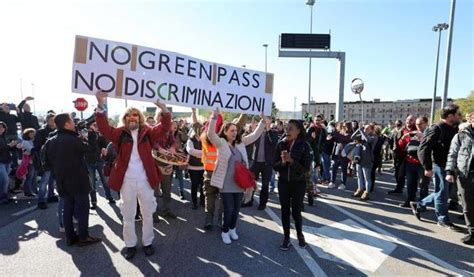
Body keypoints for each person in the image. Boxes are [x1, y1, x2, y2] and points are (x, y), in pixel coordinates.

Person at [95, 91, 171, 260]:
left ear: (140, 117)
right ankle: (130, 244)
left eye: (135, 115)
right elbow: (104, 128)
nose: (132, 118)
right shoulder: (119, 133)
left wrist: (164, 109)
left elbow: (164, 127)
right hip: (126, 181)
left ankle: (148, 242)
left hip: (145, 180)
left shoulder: (147, 132)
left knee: (148, 213)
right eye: (129, 115)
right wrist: (100, 106)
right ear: (125, 118)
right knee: (128, 215)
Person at [207, 109, 265, 244]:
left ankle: (232, 229)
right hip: (226, 183)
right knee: (229, 208)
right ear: (225, 132)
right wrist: (214, 117)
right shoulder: (220, 142)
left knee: (236, 209)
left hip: (239, 183)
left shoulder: (241, 143)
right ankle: (225, 231)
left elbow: (255, 135)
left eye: (235, 130)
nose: (234, 133)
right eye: (231, 130)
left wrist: (262, 120)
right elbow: (210, 134)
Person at [47, 113, 101, 247]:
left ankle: (70, 238)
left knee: (68, 208)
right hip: (78, 180)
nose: (74, 123)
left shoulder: (51, 140)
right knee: (82, 209)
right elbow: (92, 150)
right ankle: (83, 237)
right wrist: (92, 134)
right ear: (66, 124)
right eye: (71, 121)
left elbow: (46, 160)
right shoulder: (73, 140)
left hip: (61, 180)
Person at [410, 104, 463, 231]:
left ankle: (419, 205)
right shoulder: (437, 128)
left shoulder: (454, 127)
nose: (459, 116)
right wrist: (428, 168)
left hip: (451, 166)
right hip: (440, 166)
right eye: (457, 114)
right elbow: (423, 149)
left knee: (443, 192)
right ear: (450, 116)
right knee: (442, 193)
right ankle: (443, 219)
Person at [273, 119, 313, 250]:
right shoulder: (280, 144)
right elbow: (275, 166)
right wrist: (283, 163)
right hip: (283, 183)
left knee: (296, 211)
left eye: (290, 128)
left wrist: (291, 161)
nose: (287, 131)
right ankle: (286, 237)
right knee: (284, 211)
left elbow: (306, 169)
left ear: (298, 131)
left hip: (298, 184)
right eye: (286, 128)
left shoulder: (304, 146)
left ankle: (300, 234)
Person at [445, 111, 474, 245]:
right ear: (470, 119)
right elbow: (453, 154)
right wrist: (449, 171)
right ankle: (472, 232)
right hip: (465, 175)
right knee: (467, 205)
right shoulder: (461, 136)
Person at [248, 115, 278, 210]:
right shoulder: (257, 132)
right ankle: (249, 200)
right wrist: (253, 128)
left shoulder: (273, 132)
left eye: (267, 119)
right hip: (256, 161)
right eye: (263, 119)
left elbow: (274, 143)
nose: (264, 120)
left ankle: (262, 203)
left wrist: (268, 129)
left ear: (271, 121)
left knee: (265, 185)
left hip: (267, 163)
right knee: (251, 182)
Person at [398, 116, 428, 207]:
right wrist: (404, 137)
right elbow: (402, 146)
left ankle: (422, 204)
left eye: (420, 124)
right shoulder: (412, 133)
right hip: (410, 162)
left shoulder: (429, 133)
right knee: (410, 184)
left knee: (423, 185)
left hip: (422, 164)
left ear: (426, 124)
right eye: (417, 124)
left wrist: (422, 138)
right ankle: (410, 201)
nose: (418, 126)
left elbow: (430, 147)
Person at [85, 122, 115, 207]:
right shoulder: (84, 136)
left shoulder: (98, 135)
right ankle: (93, 202)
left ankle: (109, 197)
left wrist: (97, 134)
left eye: (95, 125)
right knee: (92, 184)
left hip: (99, 161)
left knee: (105, 181)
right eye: (93, 126)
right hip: (89, 162)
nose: (95, 127)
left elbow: (105, 145)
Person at [34, 112, 58, 209]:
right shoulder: (41, 131)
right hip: (45, 160)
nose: (53, 122)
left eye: (54, 120)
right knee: (44, 181)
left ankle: (51, 196)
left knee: (52, 180)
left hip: (54, 160)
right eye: (51, 120)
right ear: (47, 120)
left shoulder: (57, 131)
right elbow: (37, 146)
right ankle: (41, 200)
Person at [388, 115, 416, 194]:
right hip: (401, 155)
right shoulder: (403, 130)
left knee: (412, 176)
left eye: (411, 120)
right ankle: (399, 188)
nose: (408, 122)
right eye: (407, 120)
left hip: (414, 156)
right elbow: (398, 142)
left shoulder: (416, 130)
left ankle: (414, 195)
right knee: (399, 173)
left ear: (414, 121)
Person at [351, 124, 377, 200]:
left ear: (371, 130)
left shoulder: (374, 137)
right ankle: (360, 190)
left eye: (367, 129)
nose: (365, 130)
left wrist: (362, 131)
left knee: (367, 178)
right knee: (359, 176)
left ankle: (367, 193)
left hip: (367, 160)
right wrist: (358, 130)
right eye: (365, 128)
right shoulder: (362, 135)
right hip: (359, 159)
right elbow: (352, 137)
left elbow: (368, 140)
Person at [186, 108, 205, 210]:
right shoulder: (190, 140)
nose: (201, 130)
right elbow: (190, 151)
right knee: (194, 186)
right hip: (193, 168)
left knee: (203, 186)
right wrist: (203, 154)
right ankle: (194, 202)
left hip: (203, 167)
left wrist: (200, 154)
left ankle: (202, 201)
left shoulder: (205, 140)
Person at [327, 122, 352, 190]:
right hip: (336, 154)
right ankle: (332, 182)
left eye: (344, 126)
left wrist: (335, 131)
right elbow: (335, 138)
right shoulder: (340, 133)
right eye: (343, 126)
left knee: (343, 170)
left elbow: (344, 139)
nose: (343, 127)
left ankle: (343, 183)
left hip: (344, 155)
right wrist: (330, 137)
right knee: (334, 168)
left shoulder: (350, 135)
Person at [0, 121, 19, 204]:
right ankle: (2, 197)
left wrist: (14, 146)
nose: (1, 129)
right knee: (5, 180)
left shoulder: (4, 137)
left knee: (4, 180)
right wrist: (9, 146)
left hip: (7, 161)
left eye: (2, 127)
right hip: (1, 162)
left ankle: (5, 196)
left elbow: (7, 149)